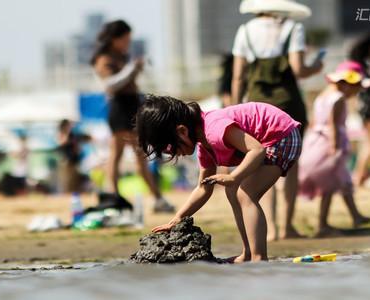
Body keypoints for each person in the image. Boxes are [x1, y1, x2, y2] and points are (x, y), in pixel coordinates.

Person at [137, 95, 302, 262]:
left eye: (168, 147)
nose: (169, 152)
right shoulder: (204, 145)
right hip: (266, 142)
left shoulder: (214, 129)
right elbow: (203, 188)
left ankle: (259, 258)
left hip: (281, 135)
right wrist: (177, 219)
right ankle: (248, 253)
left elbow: (257, 150)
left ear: (182, 131)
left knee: (246, 194)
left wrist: (235, 176)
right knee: (233, 191)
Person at [231, 0, 323, 240]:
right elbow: (298, 69)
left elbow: (238, 76)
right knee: (290, 165)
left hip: (257, 108)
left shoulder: (245, 30)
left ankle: (270, 228)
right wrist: (316, 67)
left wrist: (235, 108)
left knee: (261, 163)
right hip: (287, 104)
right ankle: (287, 227)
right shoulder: (293, 27)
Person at [91, 20, 174, 213]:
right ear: (115, 38)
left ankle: (151, 198)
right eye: (125, 39)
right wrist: (131, 69)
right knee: (120, 154)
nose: (128, 42)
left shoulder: (121, 56)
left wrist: (136, 69)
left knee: (135, 154)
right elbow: (110, 85)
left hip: (132, 105)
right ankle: (115, 196)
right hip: (120, 107)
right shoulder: (104, 58)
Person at [298, 61, 370, 237]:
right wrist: (335, 149)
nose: (357, 91)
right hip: (328, 146)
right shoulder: (338, 99)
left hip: (315, 142)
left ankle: (355, 216)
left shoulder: (323, 96)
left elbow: (314, 122)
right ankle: (323, 225)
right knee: (330, 185)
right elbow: (332, 125)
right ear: (346, 84)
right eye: (356, 87)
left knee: (341, 181)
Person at [349, 34, 370, 186]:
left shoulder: (361, 68)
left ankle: (360, 177)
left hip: (365, 109)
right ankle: (358, 178)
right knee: (368, 145)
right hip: (368, 109)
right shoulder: (363, 69)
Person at [56, 119, 91, 193]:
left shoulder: (73, 135)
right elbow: (62, 143)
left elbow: (85, 140)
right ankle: (67, 194)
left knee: (74, 180)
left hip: (74, 161)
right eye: (68, 125)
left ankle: (73, 194)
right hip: (66, 161)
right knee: (67, 181)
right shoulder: (62, 134)